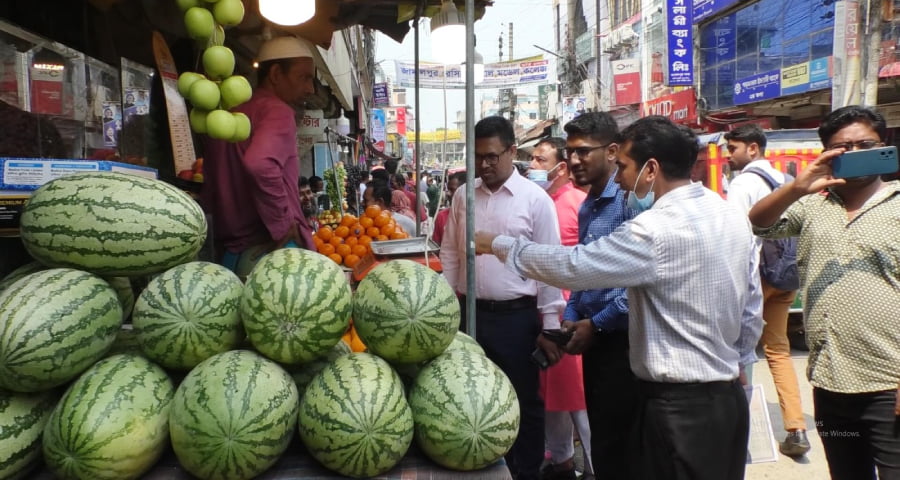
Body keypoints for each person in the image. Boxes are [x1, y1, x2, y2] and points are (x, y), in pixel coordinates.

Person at [476, 116, 763, 480]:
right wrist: (740, 361)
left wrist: (499, 244)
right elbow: (752, 307)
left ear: (651, 169)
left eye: (624, 167)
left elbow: (575, 266)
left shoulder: (655, 229)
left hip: (678, 408)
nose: (621, 178)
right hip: (727, 398)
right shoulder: (729, 214)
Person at [748, 105, 900, 480]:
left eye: (865, 145)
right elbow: (759, 223)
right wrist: (797, 187)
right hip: (829, 384)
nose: (854, 153)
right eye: (841, 148)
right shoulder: (813, 204)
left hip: (889, 386)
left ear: (884, 145)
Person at [440, 116, 565, 480]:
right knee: (472, 399)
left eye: (492, 156)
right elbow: (451, 254)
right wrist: (446, 307)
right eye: (478, 156)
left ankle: (524, 472)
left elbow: (550, 264)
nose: (484, 164)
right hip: (470, 316)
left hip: (517, 319)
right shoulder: (463, 196)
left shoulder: (535, 200)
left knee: (522, 400)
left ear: (512, 151)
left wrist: (551, 324)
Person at [559, 113, 638, 480]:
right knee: (603, 441)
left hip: (624, 344)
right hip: (594, 342)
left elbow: (635, 285)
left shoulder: (629, 202)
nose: (574, 160)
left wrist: (596, 324)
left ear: (611, 151)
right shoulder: (588, 204)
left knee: (623, 447)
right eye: (570, 152)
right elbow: (584, 271)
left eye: (582, 151)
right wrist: (571, 314)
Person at [201, 35, 316, 279]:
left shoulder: (229, 113)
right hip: (268, 252)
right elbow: (259, 164)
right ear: (276, 74)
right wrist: (283, 223)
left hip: (229, 256)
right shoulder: (278, 111)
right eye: (303, 77)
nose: (310, 89)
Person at [723, 124, 808, 457]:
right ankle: (796, 428)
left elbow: (737, 238)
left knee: (743, 350)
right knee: (778, 350)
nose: (729, 156)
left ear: (753, 149)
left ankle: (741, 431)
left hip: (756, 279)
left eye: (733, 148)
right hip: (785, 276)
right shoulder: (785, 181)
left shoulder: (742, 183)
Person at [527, 136, 592, 480]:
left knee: (577, 396)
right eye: (533, 159)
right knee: (551, 394)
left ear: (561, 167)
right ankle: (562, 460)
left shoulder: (578, 204)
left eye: (540, 160)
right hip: (545, 309)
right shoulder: (540, 202)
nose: (532, 166)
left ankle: (594, 466)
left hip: (571, 312)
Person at [431, 171, 465, 245]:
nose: (448, 193)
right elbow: (437, 245)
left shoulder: (477, 215)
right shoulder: (441, 216)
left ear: (464, 191)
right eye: (448, 189)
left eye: (452, 190)